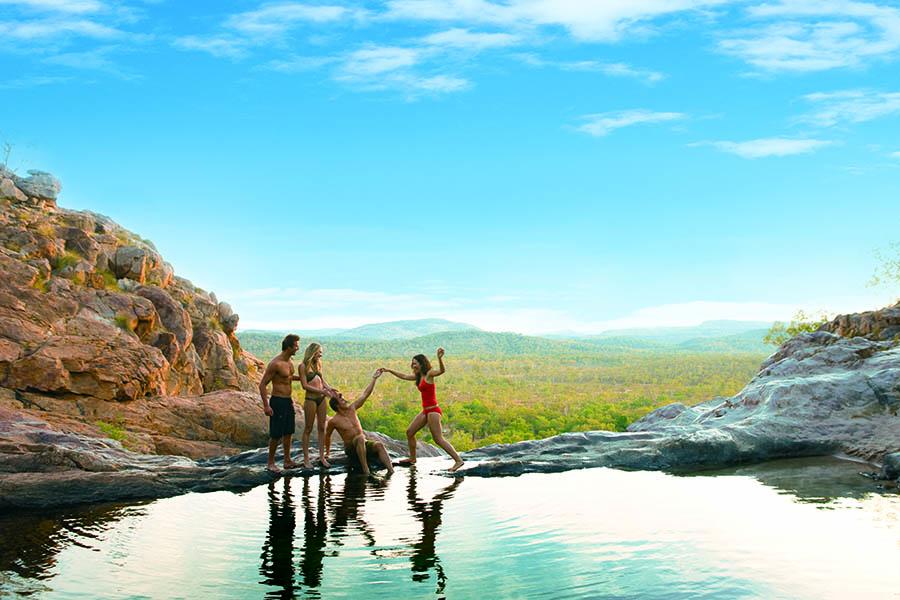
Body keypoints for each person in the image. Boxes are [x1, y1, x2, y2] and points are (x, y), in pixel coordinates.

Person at [382, 348, 464, 472]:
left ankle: (458, 460)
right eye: (412, 363)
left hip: (433, 411)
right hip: (425, 411)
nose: (413, 365)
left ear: (422, 363)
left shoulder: (429, 374)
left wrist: (440, 358)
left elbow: (442, 371)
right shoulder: (418, 377)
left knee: (438, 439)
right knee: (410, 432)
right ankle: (413, 458)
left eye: (415, 363)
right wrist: (389, 370)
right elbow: (403, 376)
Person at [324, 369, 395, 476]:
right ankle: (366, 470)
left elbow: (365, 394)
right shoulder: (334, 421)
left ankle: (391, 471)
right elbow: (327, 436)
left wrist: (374, 378)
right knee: (359, 438)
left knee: (379, 445)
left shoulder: (352, 408)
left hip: (364, 444)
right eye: (341, 399)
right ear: (337, 406)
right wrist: (327, 453)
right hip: (351, 449)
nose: (344, 399)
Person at [258, 333, 301, 472]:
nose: (297, 349)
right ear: (288, 347)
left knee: (288, 431)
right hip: (277, 401)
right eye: (295, 346)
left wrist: (304, 378)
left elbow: (288, 378)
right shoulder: (275, 364)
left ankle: (287, 460)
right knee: (276, 434)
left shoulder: (289, 362)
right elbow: (262, 384)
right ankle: (270, 463)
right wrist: (266, 405)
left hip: (288, 401)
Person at [296, 343, 339, 468]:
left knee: (322, 428)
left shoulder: (318, 364)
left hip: (321, 400)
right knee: (308, 428)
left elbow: (322, 381)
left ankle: (322, 457)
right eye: (319, 352)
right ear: (313, 352)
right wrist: (322, 391)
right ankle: (306, 459)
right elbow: (304, 385)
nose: (321, 354)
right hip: (310, 399)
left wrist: (331, 390)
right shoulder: (303, 366)